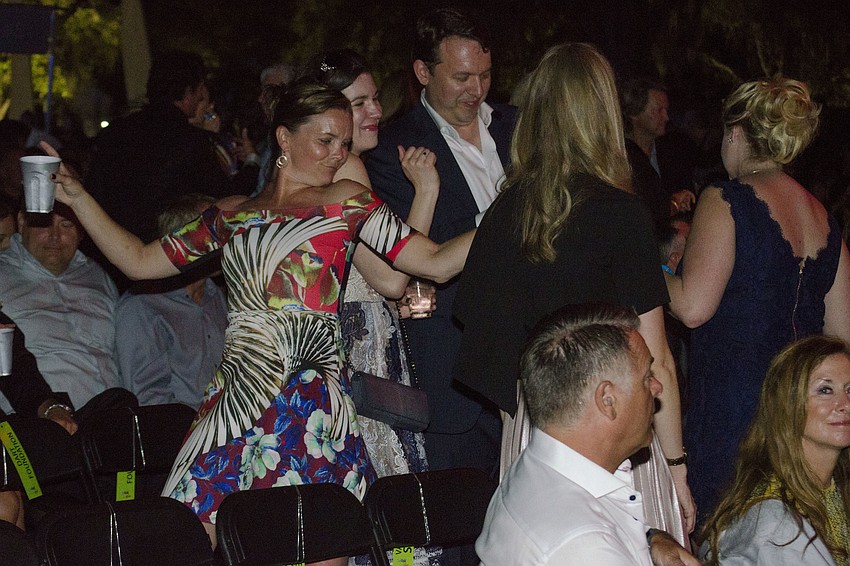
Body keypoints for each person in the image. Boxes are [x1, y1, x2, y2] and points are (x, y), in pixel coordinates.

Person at [41, 80, 474, 560]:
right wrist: (78, 198)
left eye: (345, 142)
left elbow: (434, 263)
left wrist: (503, 217)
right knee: (186, 537)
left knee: (320, 546)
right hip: (237, 400)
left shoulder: (347, 200)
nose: (339, 154)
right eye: (326, 140)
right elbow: (140, 261)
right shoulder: (232, 214)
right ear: (284, 138)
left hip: (312, 403)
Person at [453, 42, 694, 541]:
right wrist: (676, 466)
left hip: (535, 434)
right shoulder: (621, 215)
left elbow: (485, 347)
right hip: (611, 429)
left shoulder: (504, 214)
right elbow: (658, 361)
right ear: (603, 115)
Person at [665, 77, 850, 521]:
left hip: (735, 413)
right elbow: (841, 338)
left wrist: (643, 267)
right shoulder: (824, 219)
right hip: (799, 417)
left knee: (726, 534)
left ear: (735, 133)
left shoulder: (727, 199)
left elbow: (692, 307)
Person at [301, 47, 442, 566]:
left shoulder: (307, 170)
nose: (376, 111)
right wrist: (426, 191)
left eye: (376, 98)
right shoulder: (349, 169)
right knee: (387, 501)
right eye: (359, 103)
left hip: (341, 352)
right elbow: (392, 275)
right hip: (360, 364)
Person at [366, 7, 515, 483]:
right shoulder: (393, 150)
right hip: (454, 372)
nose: (477, 89)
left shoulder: (519, 127)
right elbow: (419, 252)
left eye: (485, 75)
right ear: (423, 72)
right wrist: (513, 212)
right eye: (462, 77)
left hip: (532, 366)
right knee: (460, 515)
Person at [476, 303, 699, 566]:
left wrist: (651, 539)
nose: (657, 387)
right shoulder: (585, 546)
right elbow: (584, 542)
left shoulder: (534, 468)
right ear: (607, 400)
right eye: (646, 377)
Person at [700, 335, 850, 565]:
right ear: (787, 404)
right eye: (825, 390)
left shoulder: (834, 486)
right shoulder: (776, 522)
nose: (845, 404)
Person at [85, 50, 234, 244]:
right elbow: (222, 197)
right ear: (188, 93)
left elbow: (95, 193)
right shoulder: (190, 140)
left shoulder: (116, 132)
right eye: (199, 90)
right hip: (166, 249)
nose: (201, 97)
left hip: (113, 244)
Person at [0, 204, 124, 410]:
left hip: (113, 414)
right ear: (21, 222)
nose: (55, 236)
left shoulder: (98, 276)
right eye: (45, 225)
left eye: (66, 225)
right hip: (36, 416)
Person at [114, 194, 227, 409]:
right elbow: (149, 399)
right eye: (218, 234)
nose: (231, 240)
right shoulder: (143, 306)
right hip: (182, 425)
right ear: (186, 244)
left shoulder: (214, 296)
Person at [620, 78, 697, 223]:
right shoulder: (620, 159)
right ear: (634, 112)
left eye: (666, 110)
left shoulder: (673, 152)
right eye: (659, 110)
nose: (666, 117)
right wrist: (672, 205)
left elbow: (688, 198)